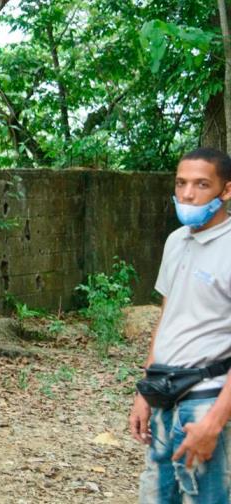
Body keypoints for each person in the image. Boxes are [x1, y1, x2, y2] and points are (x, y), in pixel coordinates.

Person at [129, 147, 231, 503]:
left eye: (201, 184)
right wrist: (145, 390)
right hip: (163, 393)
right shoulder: (176, 240)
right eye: (181, 183)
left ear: (226, 190)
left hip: (205, 397)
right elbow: (166, 319)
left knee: (206, 497)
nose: (187, 194)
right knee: (156, 493)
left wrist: (215, 421)